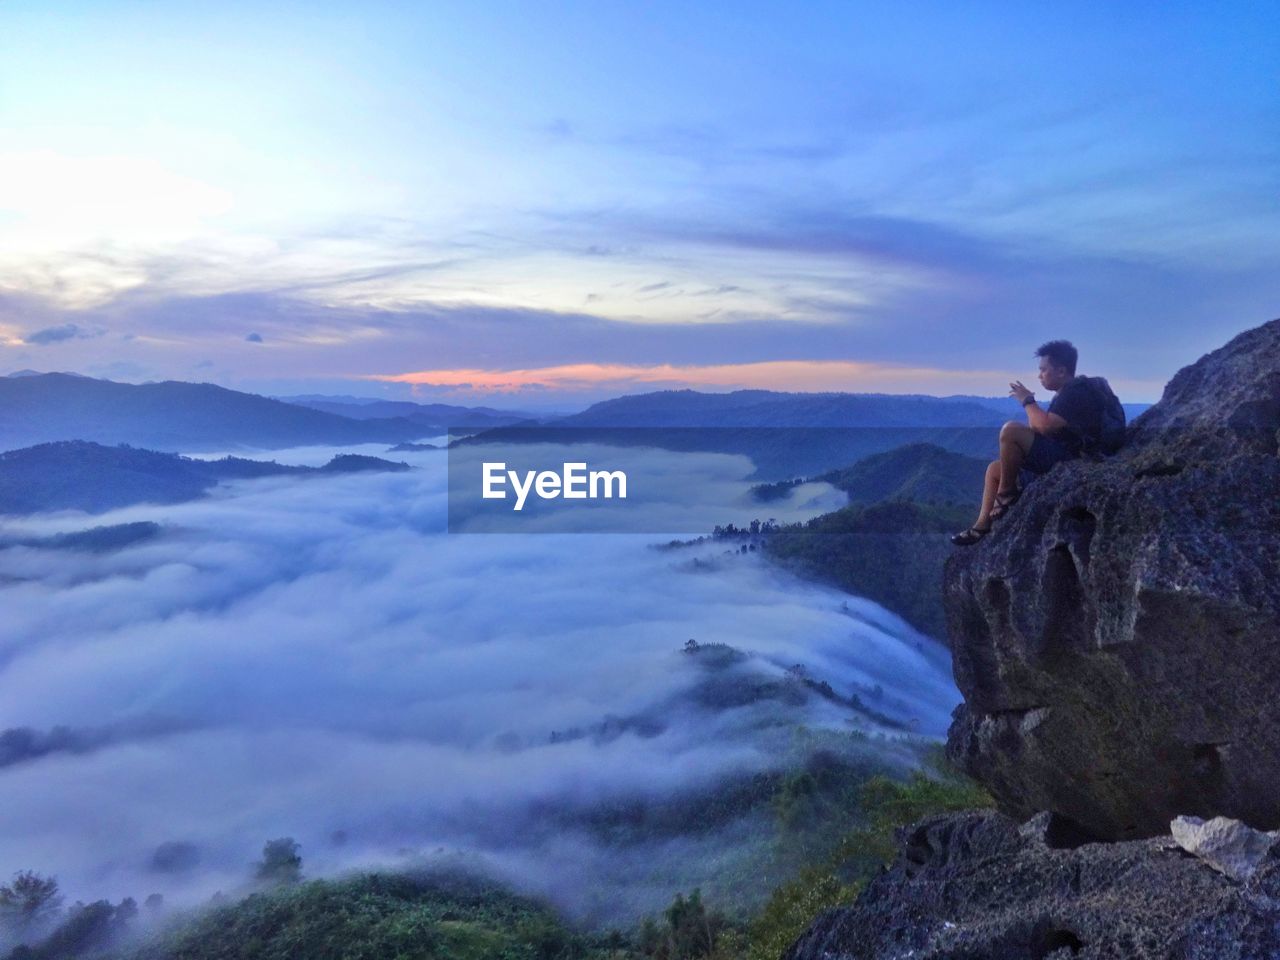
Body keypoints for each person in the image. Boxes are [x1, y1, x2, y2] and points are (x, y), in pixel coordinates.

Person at [951, 340, 1103, 546]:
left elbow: (1045, 427)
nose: (1040, 375)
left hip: (1074, 461)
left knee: (1010, 429)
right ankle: (981, 526)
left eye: (1043, 370)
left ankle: (1006, 494)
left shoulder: (1075, 393)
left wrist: (1027, 401)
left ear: (1061, 371)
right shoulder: (1068, 393)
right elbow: (1042, 428)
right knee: (995, 470)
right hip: (1063, 454)